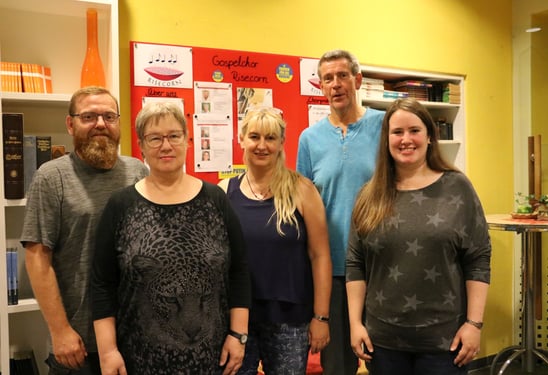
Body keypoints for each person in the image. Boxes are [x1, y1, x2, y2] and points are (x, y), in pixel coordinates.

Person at [90, 101, 251, 375]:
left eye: (174, 136)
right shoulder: (121, 205)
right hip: (137, 360)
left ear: (188, 140)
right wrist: (108, 351)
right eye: (155, 138)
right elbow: (101, 283)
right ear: (141, 145)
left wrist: (238, 335)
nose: (166, 146)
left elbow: (239, 271)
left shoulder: (216, 200)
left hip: (211, 360)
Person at [346, 98, 491, 374]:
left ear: (429, 137)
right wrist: (355, 324)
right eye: (397, 132)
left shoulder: (457, 187)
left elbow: (478, 259)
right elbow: (355, 263)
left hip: (445, 342)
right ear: (386, 139)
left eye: (414, 130)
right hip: (383, 342)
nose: (406, 139)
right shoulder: (369, 195)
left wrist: (474, 324)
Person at [21, 86, 149, 374]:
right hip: (78, 343)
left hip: (134, 336)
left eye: (109, 116)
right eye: (89, 117)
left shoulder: (138, 172)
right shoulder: (52, 177)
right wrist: (61, 330)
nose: (100, 124)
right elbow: (37, 257)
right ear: (70, 124)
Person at [219, 107, 332, 374]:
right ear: (241, 139)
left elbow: (321, 256)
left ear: (281, 143)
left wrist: (321, 317)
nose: (261, 145)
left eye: (270, 138)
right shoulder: (224, 192)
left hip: (290, 321)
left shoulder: (302, 189)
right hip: (238, 320)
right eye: (254, 136)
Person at [296, 49, 385, 375]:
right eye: (328, 78)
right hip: (330, 269)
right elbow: (302, 203)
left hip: (379, 266)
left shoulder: (383, 126)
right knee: (337, 366)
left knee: (385, 359)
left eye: (342, 76)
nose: (335, 84)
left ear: (357, 80)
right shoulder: (309, 139)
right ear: (321, 86)